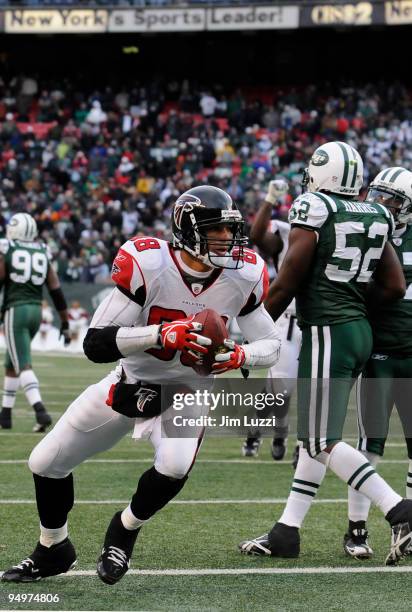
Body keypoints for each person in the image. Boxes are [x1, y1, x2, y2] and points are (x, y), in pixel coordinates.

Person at [2, 186, 280, 585]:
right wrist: (160, 334)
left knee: (174, 465)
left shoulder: (244, 274)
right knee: (45, 462)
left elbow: (271, 344)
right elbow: (95, 342)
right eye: (216, 229)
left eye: (229, 229)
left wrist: (241, 356)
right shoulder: (149, 262)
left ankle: (125, 528)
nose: (227, 238)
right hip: (130, 381)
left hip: (187, 391)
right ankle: (53, 547)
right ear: (186, 229)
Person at [239, 141, 412, 566]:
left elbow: (286, 284)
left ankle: (398, 509)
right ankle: (287, 532)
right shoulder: (376, 216)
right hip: (358, 333)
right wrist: (353, 303)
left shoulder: (315, 207)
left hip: (327, 330)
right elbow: (393, 287)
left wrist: (253, 338)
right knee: (316, 438)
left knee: (319, 441)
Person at [343, 167, 412, 559]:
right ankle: (356, 528)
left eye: (392, 200)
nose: (381, 206)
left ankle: (408, 528)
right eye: (378, 196)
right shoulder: (369, 234)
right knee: (370, 445)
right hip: (380, 353)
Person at [242, 178, 300, 465]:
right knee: (279, 388)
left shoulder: (335, 235)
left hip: (321, 322)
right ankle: (270, 432)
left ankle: (306, 447)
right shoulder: (287, 235)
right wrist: (270, 198)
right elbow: (256, 235)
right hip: (289, 322)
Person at [0, 213, 71, 433]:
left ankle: (40, 411)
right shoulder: (42, 250)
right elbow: (56, 290)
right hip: (35, 312)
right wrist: (65, 322)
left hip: (16, 309)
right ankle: (6, 415)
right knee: (12, 363)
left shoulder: (8, 248)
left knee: (22, 363)